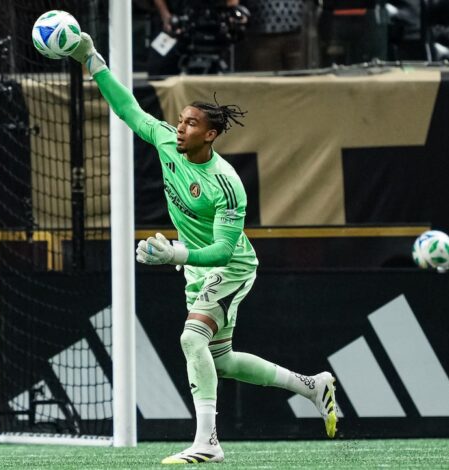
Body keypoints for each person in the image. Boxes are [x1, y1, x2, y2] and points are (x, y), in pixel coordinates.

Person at [69, 33, 339, 464]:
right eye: (179, 120)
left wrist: (176, 254)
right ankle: (311, 385)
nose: (180, 127)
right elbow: (127, 109)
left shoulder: (227, 184)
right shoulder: (165, 143)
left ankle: (208, 443)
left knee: (191, 339)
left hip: (231, 267)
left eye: (191, 123)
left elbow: (221, 251)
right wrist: (92, 59)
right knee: (222, 360)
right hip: (199, 269)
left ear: (211, 135)